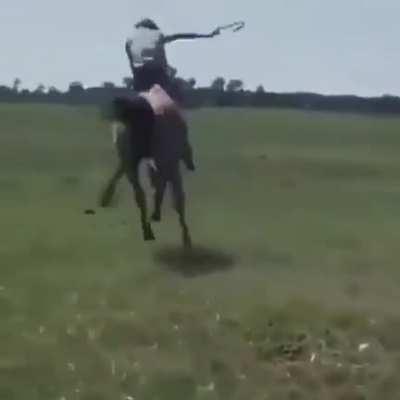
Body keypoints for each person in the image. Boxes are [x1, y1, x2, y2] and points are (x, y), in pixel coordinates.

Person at [122, 18, 221, 171]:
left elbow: (131, 63)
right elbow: (181, 36)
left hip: (139, 79)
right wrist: (208, 35)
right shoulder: (158, 35)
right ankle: (186, 152)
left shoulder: (129, 40)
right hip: (158, 77)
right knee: (176, 110)